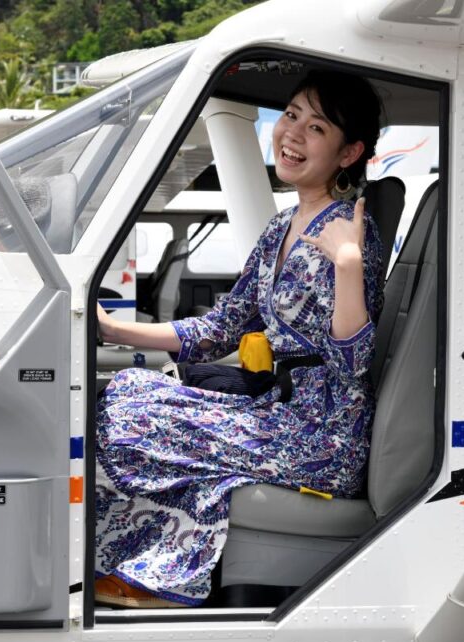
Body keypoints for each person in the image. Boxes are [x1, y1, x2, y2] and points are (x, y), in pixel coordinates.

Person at [94, 70, 384, 608]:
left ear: (349, 153)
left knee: (130, 414)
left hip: (322, 438)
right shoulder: (281, 226)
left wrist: (347, 264)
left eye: (316, 128)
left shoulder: (351, 231)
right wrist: (110, 328)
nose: (292, 134)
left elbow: (354, 363)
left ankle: (155, 575)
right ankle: (156, 572)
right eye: (292, 115)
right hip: (278, 414)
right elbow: (221, 329)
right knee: (129, 388)